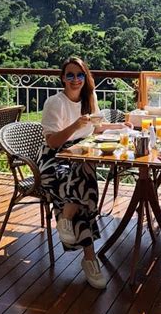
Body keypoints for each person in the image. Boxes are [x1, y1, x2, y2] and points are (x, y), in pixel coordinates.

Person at [40, 56, 129, 289]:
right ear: (62, 78)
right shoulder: (54, 103)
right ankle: (89, 259)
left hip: (79, 156)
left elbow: (96, 127)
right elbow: (51, 143)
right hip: (53, 161)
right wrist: (75, 126)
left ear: (86, 78)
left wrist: (120, 126)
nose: (75, 80)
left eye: (80, 75)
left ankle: (66, 218)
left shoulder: (90, 99)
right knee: (85, 189)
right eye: (70, 75)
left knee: (84, 172)